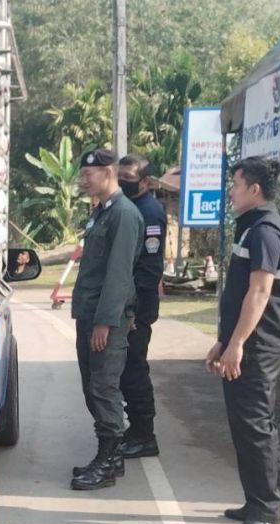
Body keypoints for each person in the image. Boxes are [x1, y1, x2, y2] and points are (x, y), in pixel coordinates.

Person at [207, 156, 280, 524]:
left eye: (236, 184)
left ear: (254, 189)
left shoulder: (266, 231)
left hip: (259, 345)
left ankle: (266, 511)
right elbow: (239, 293)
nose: (231, 191)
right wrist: (224, 340)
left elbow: (259, 293)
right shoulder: (250, 227)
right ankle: (255, 500)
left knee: (256, 425)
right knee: (246, 425)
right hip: (244, 342)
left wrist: (238, 344)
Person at [69, 148, 144, 491]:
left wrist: (105, 322)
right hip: (91, 314)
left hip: (105, 320)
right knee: (93, 387)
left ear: (108, 172)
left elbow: (118, 274)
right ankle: (109, 458)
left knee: (103, 387)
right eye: (83, 174)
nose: (84, 180)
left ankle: (108, 462)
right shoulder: (103, 212)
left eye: (89, 174)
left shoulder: (123, 215)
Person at [117, 154, 168, 459]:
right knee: (124, 370)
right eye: (119, 175)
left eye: (128, 177)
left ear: (146, 182)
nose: (122, 181)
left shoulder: (150, 213)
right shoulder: (128, 207)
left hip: (138, 308)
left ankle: (144, 435)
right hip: (127, 304)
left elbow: (149, 269)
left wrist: (133, 310)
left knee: (134, 369)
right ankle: (134, 429)